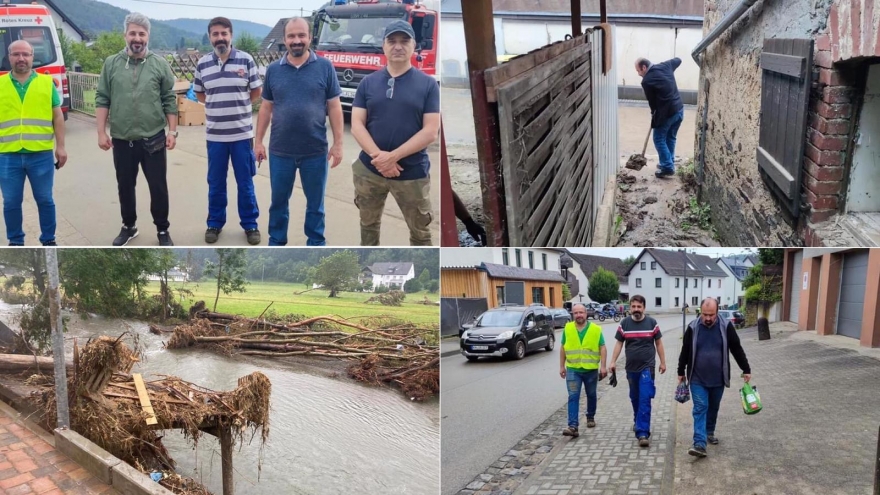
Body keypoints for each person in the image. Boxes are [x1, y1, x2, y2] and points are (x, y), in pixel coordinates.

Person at [350, 20, 440, 246]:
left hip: (411, 174)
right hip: (369, 172)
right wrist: (379, 159)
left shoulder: (428, 85)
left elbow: (431, 131)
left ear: (414, 45)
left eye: (404, 41)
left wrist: (393, 157)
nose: (398, 46)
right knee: (367, 227)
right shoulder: (367, 83)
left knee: (421, 234)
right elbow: (357, 125)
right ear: (384, 46)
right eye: (392, 41)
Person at [255, 17, 343, 246]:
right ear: (284, 39)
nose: (296, 40)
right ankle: (276, 242)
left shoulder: (325, 67)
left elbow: (334, 107)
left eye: (301, 35)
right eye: (292, 36)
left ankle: (315, 243)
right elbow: (266, 107)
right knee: (278, 203)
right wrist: (258, 142)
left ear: (309, 38)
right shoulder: (274, 70)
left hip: (315, 151)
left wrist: (338, 143)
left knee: (315, 205)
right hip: (280, 151)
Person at [96, 13, 178, 246]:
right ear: (125, 35)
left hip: (153, 138)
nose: (137, 38)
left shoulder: (159, 64)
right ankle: (128, 226)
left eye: (141, 33)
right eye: (133, 33)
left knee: (158, 186)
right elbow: (102, 98)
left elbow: (169, 99)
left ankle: (162, 230)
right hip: (122, 139)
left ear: (147, 36)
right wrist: (101, 132)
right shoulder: (111, 63)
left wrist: (172, 132)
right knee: (125, 186)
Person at [193, 17, 263, 245]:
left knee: (245, 183)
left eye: (224, 33)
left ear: (230, 35)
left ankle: (250, 225)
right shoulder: (203, 64)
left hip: (242, 136)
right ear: (210, 37)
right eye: (215, 34)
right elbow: (201, 95)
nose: (220, 38)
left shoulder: (246, 60)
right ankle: (214, 223)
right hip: (215, 137)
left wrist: (238, 106)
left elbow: (256, 92)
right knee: (215, 182)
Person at [0, 40, 67, 246]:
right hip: (8, 154)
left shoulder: (46, 83)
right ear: (9, 57)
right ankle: (15, 241)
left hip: (41, 154)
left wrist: (61, 147)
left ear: (32, 57)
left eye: (26, 54)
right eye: (16, 54)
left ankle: (48, 240)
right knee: (11, 202)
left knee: (45, 200)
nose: (21, 58)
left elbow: (57, 117)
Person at [677, 297, 751, 458]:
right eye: (705, 314)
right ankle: (699, 444)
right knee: (700, 407)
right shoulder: (692, 327)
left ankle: (709, 431)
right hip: (697, 378)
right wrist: (680, 371)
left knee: (713, 406)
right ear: (700, 312)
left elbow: (736, 348)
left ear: (717, 312)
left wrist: (746, 368)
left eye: (711, 315)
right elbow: (685, 350)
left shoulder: (726, 326)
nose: (708, 318)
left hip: (718, 377)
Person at [609, 295, 666, 447]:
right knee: (635, 397)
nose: (636, 310)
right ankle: (637, 420)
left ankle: (642, 432)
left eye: (638, 307)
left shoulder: (652, 323)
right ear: (630, 308)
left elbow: (659, 344)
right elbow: (619, 344)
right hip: (631, 368)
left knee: (645, 398)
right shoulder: (625, 324)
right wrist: (613, 361)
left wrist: (663, 362)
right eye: (633, 307)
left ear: (644, 308)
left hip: (647, 367)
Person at [559, 304, 607, 437]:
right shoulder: (568, 328)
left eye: (581, 312)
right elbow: (563, 347)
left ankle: (590, 416)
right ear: (572, 314)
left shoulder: (595, 329)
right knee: (573, 396)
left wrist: (603, 366)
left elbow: (602, 347)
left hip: (590, 370)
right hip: (573, 369)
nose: (578, 315)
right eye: (576, 313)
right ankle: (573, 426)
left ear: (586, 313)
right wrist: (562, 366)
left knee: (591, 395)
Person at [636, 57, 684, 178]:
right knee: (670, 137)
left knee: (658, 138)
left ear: (644, 67)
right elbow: (678, 60)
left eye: (639, 71)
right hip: (679, 110)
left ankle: (667, 167)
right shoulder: (666, 65)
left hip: (667, 114)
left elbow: (652, 103)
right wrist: (669, 70)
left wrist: (654, 116)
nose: (638, 74)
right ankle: (668, 161)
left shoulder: (646, 81)